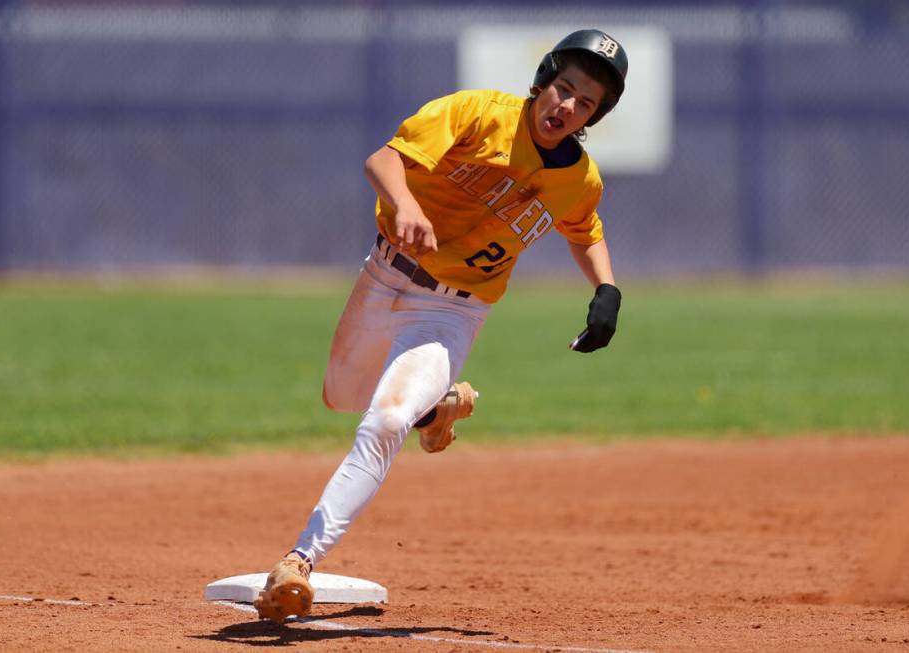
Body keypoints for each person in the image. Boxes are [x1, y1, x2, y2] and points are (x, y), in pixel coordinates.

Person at [253, 28, 628, 623]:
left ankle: (298, 560)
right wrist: (405, 204)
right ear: (543, 81)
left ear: (595, 115)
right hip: (384, 276)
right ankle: (441, 405)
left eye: (586, 103)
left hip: (454, 308)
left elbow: (586, 231)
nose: (568, 107)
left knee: (385, 420)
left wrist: (605, 289)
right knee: (342, 397)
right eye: (564, 88)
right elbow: (383, 159)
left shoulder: (578, 178)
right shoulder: (476, 113)